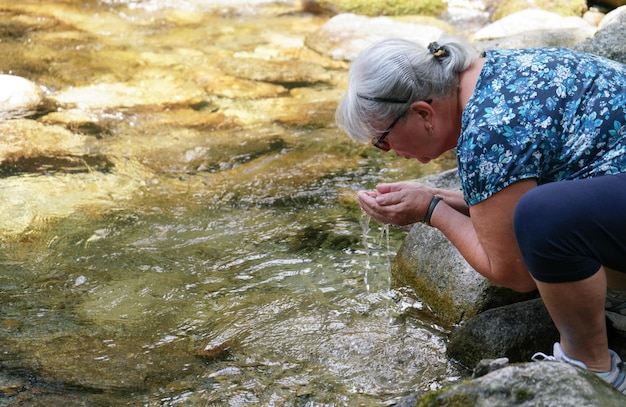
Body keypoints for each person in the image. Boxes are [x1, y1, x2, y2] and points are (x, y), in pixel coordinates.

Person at [335, 36, 626, 394]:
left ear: (423, 114)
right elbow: (511, 200)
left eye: (382, 139)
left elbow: (514, 270)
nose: (389, 152)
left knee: (544, 218)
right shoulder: (491, 73)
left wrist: (431, 210)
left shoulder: (488, 130)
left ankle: (592, 370)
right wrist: (436, 195)